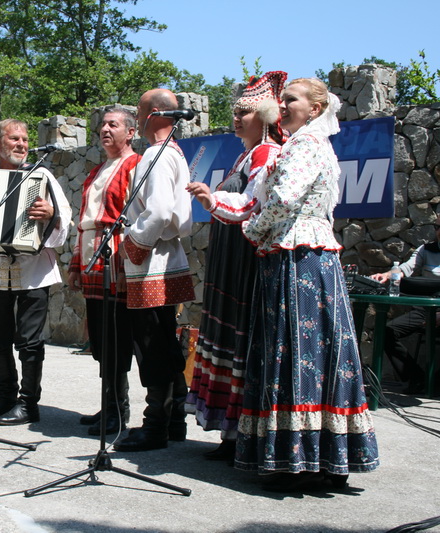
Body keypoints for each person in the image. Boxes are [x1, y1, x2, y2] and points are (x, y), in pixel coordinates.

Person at [189, 78, 379, 489]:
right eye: (283, 100)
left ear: (313, 109)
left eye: (291, 100)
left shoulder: (306, 144)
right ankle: (316, 459)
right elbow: (261, 200)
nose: (283, 106)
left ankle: (302, 461)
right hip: (295, 254)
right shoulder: (298, 145)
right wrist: (232, 210)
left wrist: (256, 231)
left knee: (297, 353)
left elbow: (283, 200)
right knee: (297, 352)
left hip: (299, 256)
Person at [184, 71, 287, 461]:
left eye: (246, 111)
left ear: (266, 114)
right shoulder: (246, 154)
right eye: (236, 111)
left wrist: (212, 201)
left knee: (240, 341)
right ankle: (230, 431)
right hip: (230, 259)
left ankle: (242, 432)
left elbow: (254, 206)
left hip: (244, 263)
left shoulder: (267, 154)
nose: (238, 117)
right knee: (227, 342)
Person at [0, 119, 72, 425]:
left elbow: (64, 222)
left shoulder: (41, 175)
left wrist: (50, 214)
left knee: (30, 341)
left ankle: (28, 403)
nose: (22, 144)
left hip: (34, 272)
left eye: (24, 139)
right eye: (14, 139)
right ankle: (4, 398)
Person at [113, 89, 196, 452]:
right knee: (164, 338)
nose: (137, 113)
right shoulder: (174, 153)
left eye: (140, 109)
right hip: (168, 258)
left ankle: (156, 425)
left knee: (151, 345)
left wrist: (132, 245)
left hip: (150, 262)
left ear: (153, 114)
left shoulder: (156, 154)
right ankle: (174, 419)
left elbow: (160, 211)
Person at [68, 106, 140, 435]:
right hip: (90, 257)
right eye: (103, 125)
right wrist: (74, 264)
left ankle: (119, 409)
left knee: (115, 336)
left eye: (114, 125)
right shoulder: (96, 171)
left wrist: (128, 256)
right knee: (98, 337)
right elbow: (84, 220)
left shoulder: (135, 166)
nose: (106, 130)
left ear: (131, 132)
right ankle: (108, 403)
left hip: (115, 260)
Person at [371, 218, 440, 393]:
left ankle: (436, 383)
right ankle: (417, 379)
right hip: (423, 310)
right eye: (438, 227)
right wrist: (388, 274)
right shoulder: (426, 250)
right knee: (386, 332)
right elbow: (404, 268)